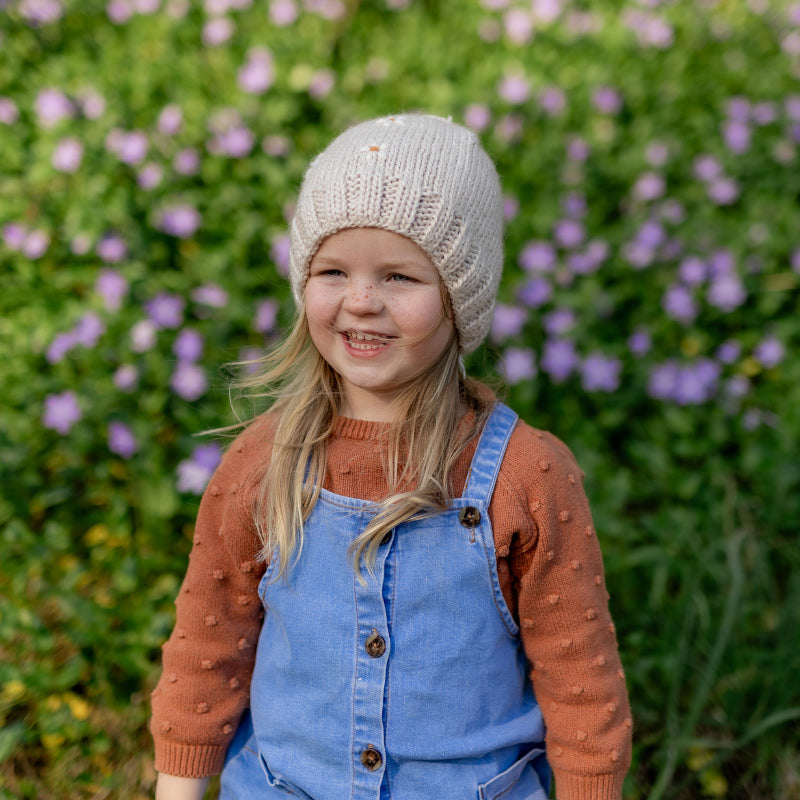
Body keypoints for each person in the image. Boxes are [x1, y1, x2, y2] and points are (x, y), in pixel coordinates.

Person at [151, 113, 632, 800]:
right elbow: (207, 647)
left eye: (400, 277)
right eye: (333, 271)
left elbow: (580, 679)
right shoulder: (263, 462)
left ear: (458, 300)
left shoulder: (526, 475)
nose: (361, 301)